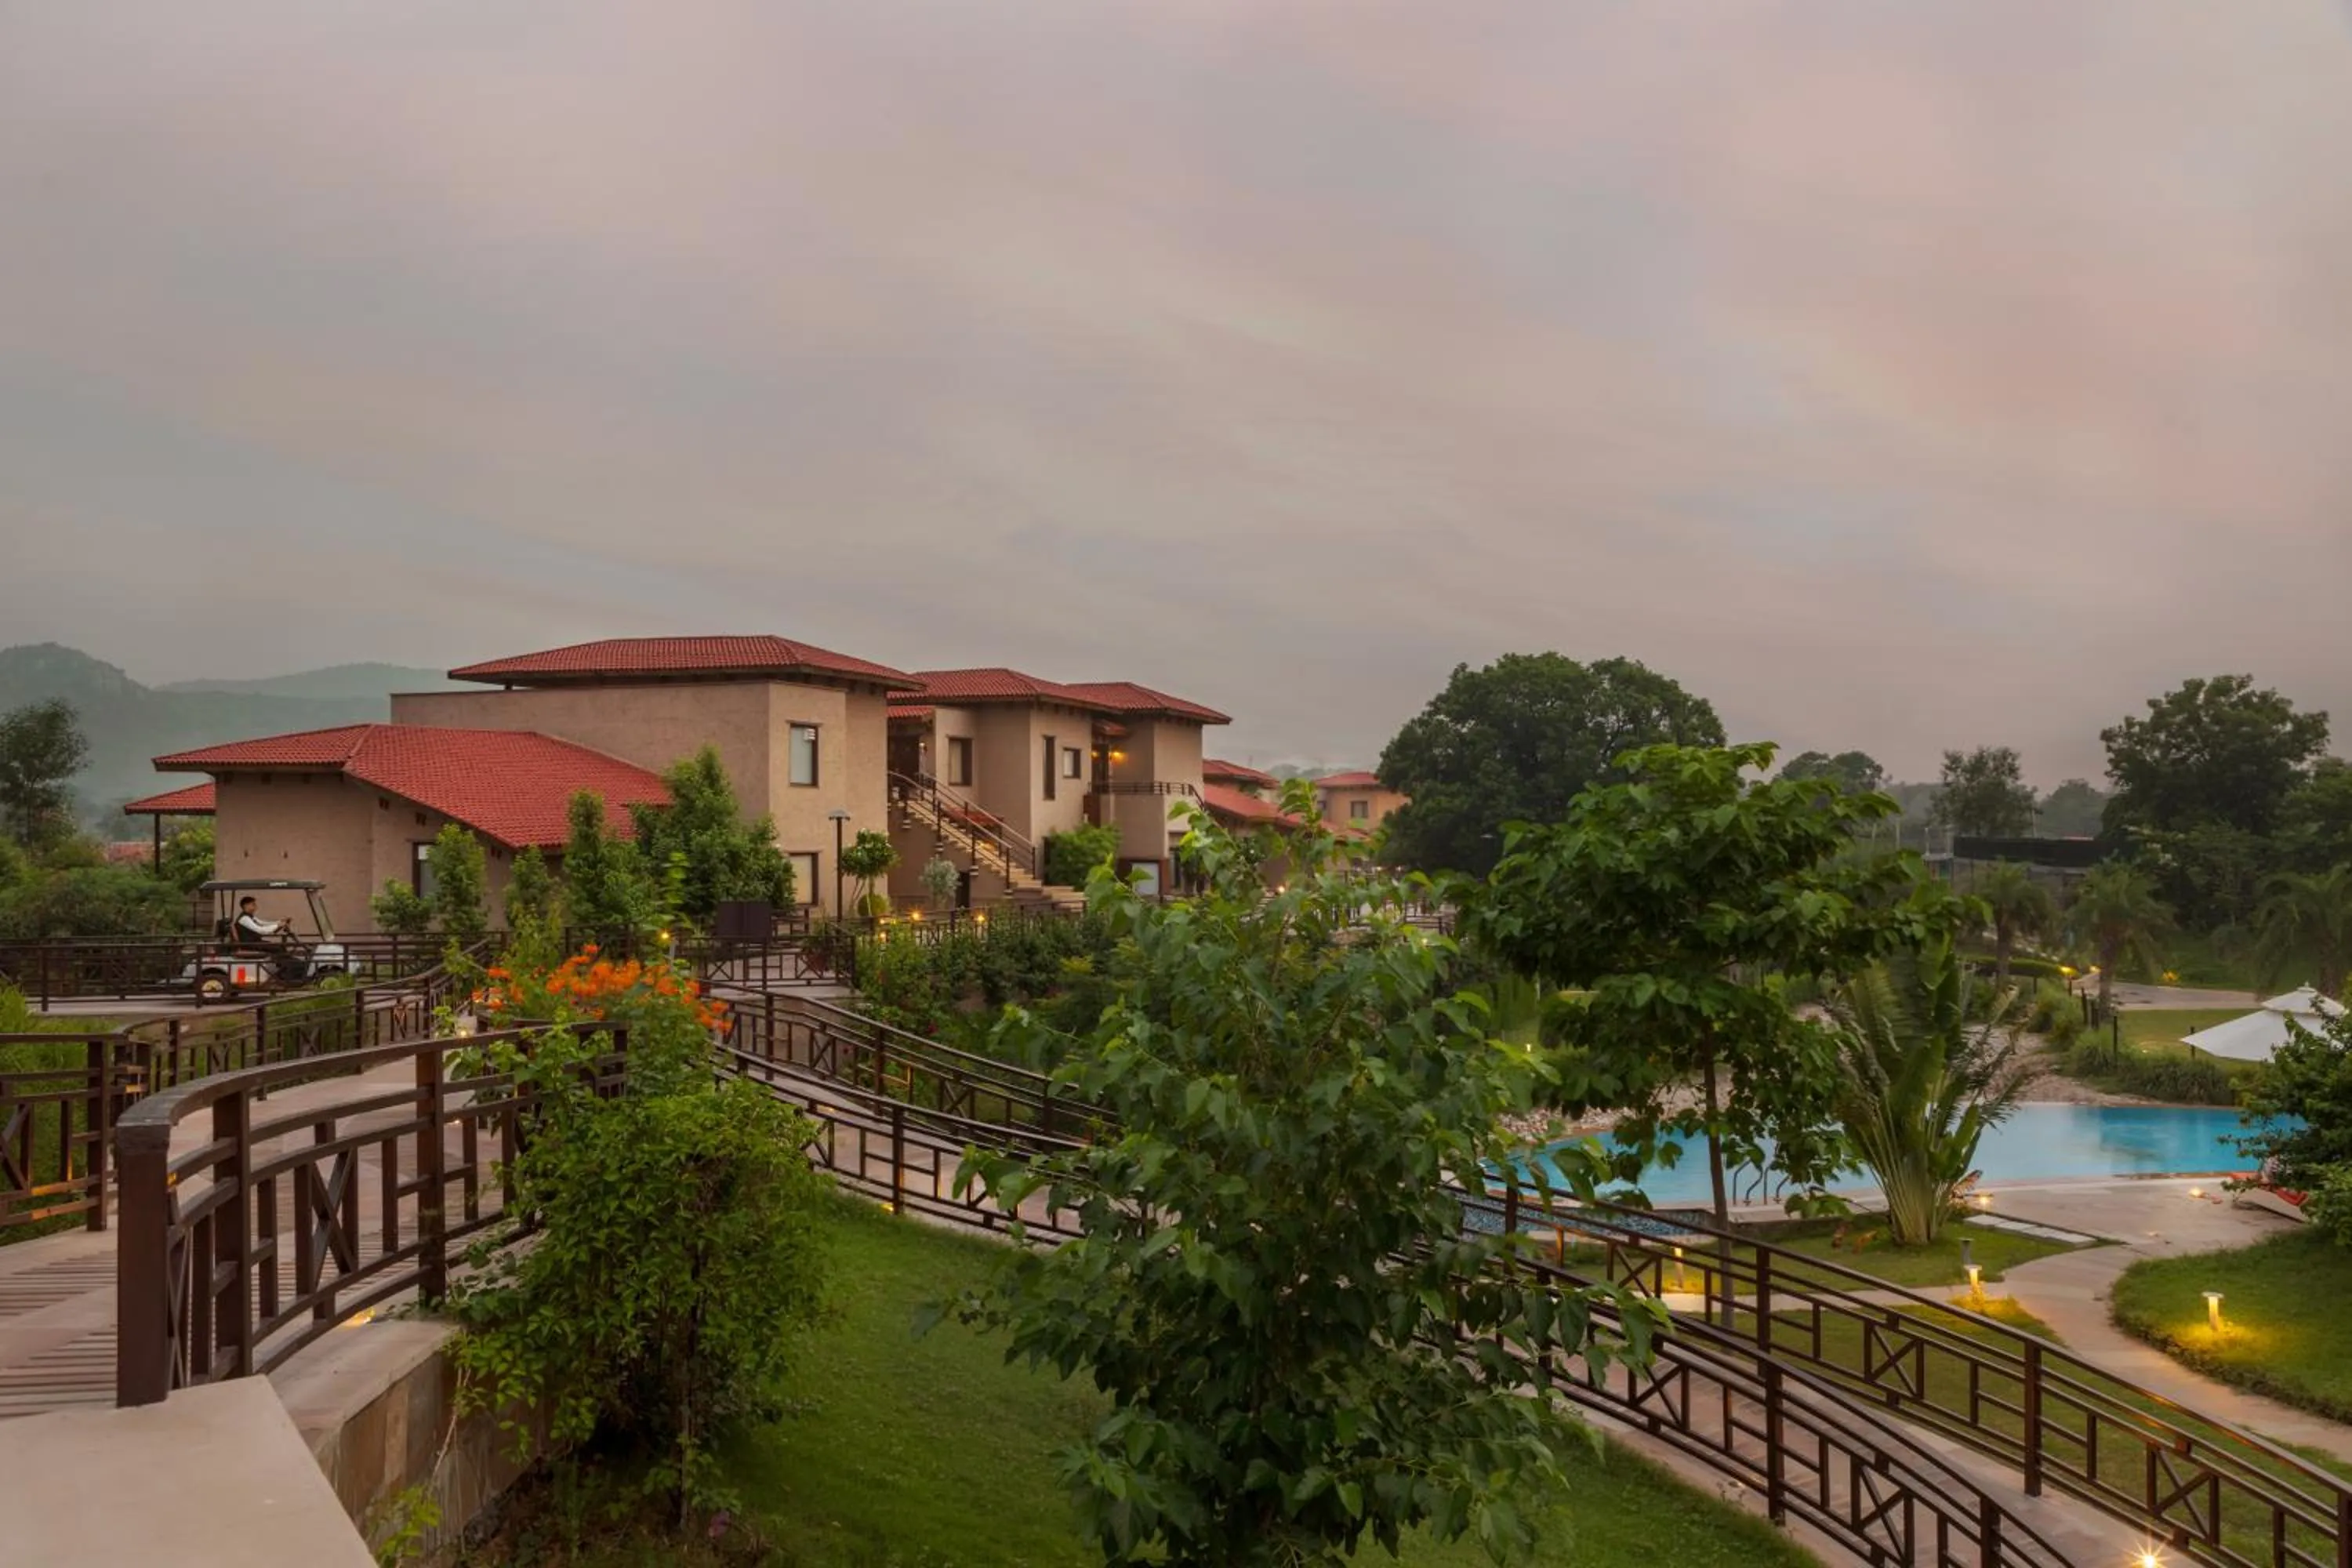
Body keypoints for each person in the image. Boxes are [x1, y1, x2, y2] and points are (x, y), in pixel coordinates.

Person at [232, 896, 311, 983]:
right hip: (249, 945)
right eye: (253, 905)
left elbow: (263, 924)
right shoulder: (244, 919)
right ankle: (288, 973)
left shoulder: (250, 917)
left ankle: (287, 970)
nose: (256, 907)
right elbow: (260, 930)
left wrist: (279, 922)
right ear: (246, 906)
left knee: (279, 947)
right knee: (277, 948)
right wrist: (278, 926)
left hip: (254, 942)